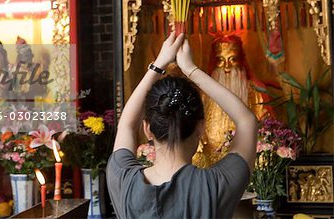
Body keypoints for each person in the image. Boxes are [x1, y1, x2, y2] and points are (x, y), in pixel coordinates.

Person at [107, 33, 258, 219]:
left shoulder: (124, 181)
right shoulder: (216, 185)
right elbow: (247, 122)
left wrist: (158, 65)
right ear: (201, 128)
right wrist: (191, 69)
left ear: (147, 129)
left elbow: (127, 126)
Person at [193, 34, 269, 167]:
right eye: (221, 60)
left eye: (232, 59)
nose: (227, 67)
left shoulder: (254, 92)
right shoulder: (203, 94)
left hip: (244, 160)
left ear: (240, 61)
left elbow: (265, 124)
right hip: (208, 160)